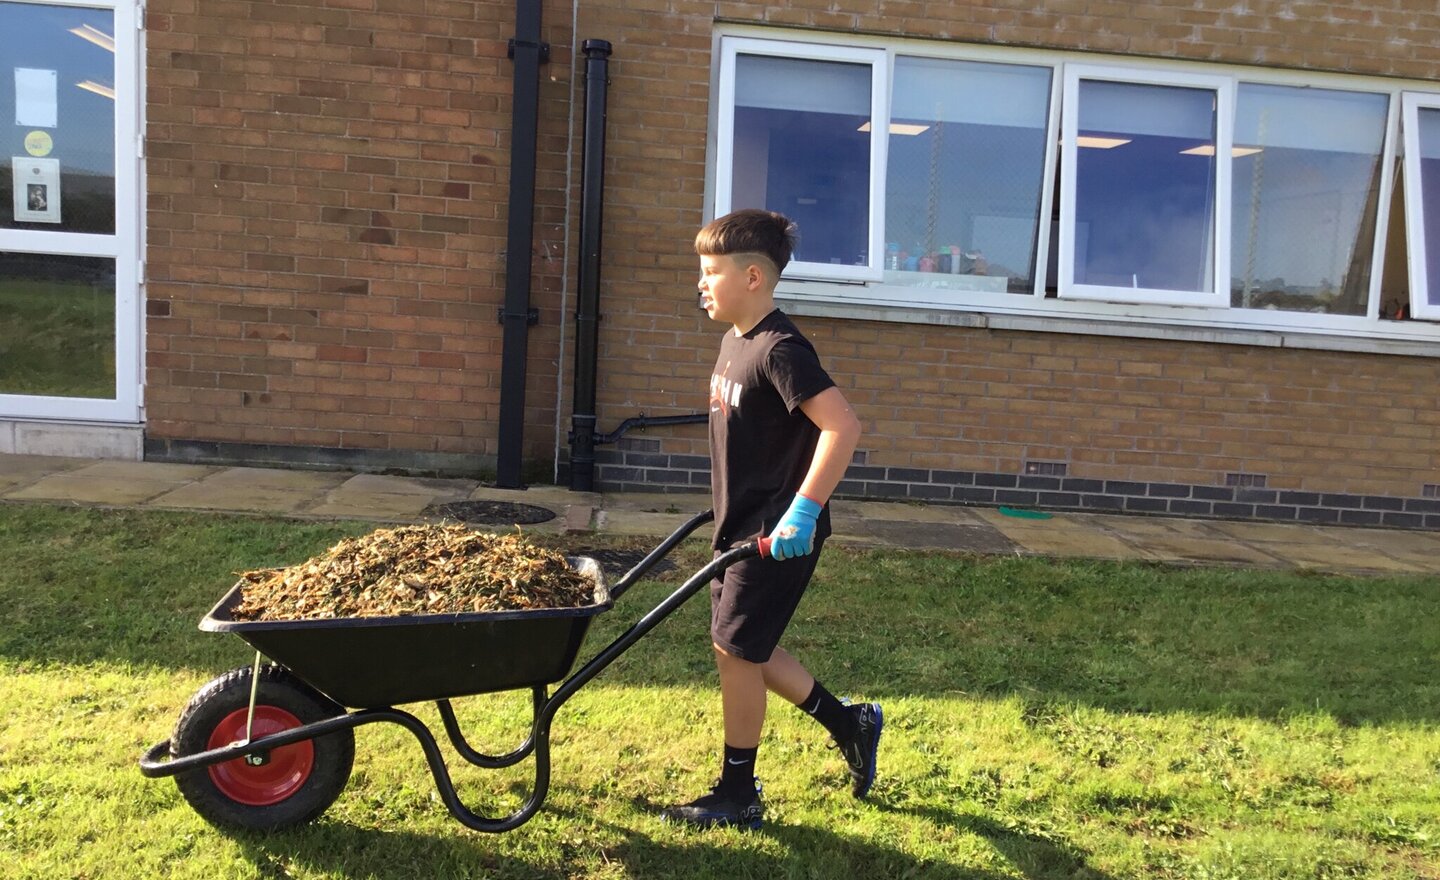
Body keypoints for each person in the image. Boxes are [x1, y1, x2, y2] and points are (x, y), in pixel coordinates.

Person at [661, 208, 880, 830]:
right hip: (739, 525)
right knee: (743, 649)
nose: (701, 285)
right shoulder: (737, 340)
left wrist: (803, 513)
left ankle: (738, 793)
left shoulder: (782, 349)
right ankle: (850, 724)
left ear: (752, 277)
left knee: (736, 651)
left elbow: (843, 426)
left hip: (776, 536)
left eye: (710, 273)